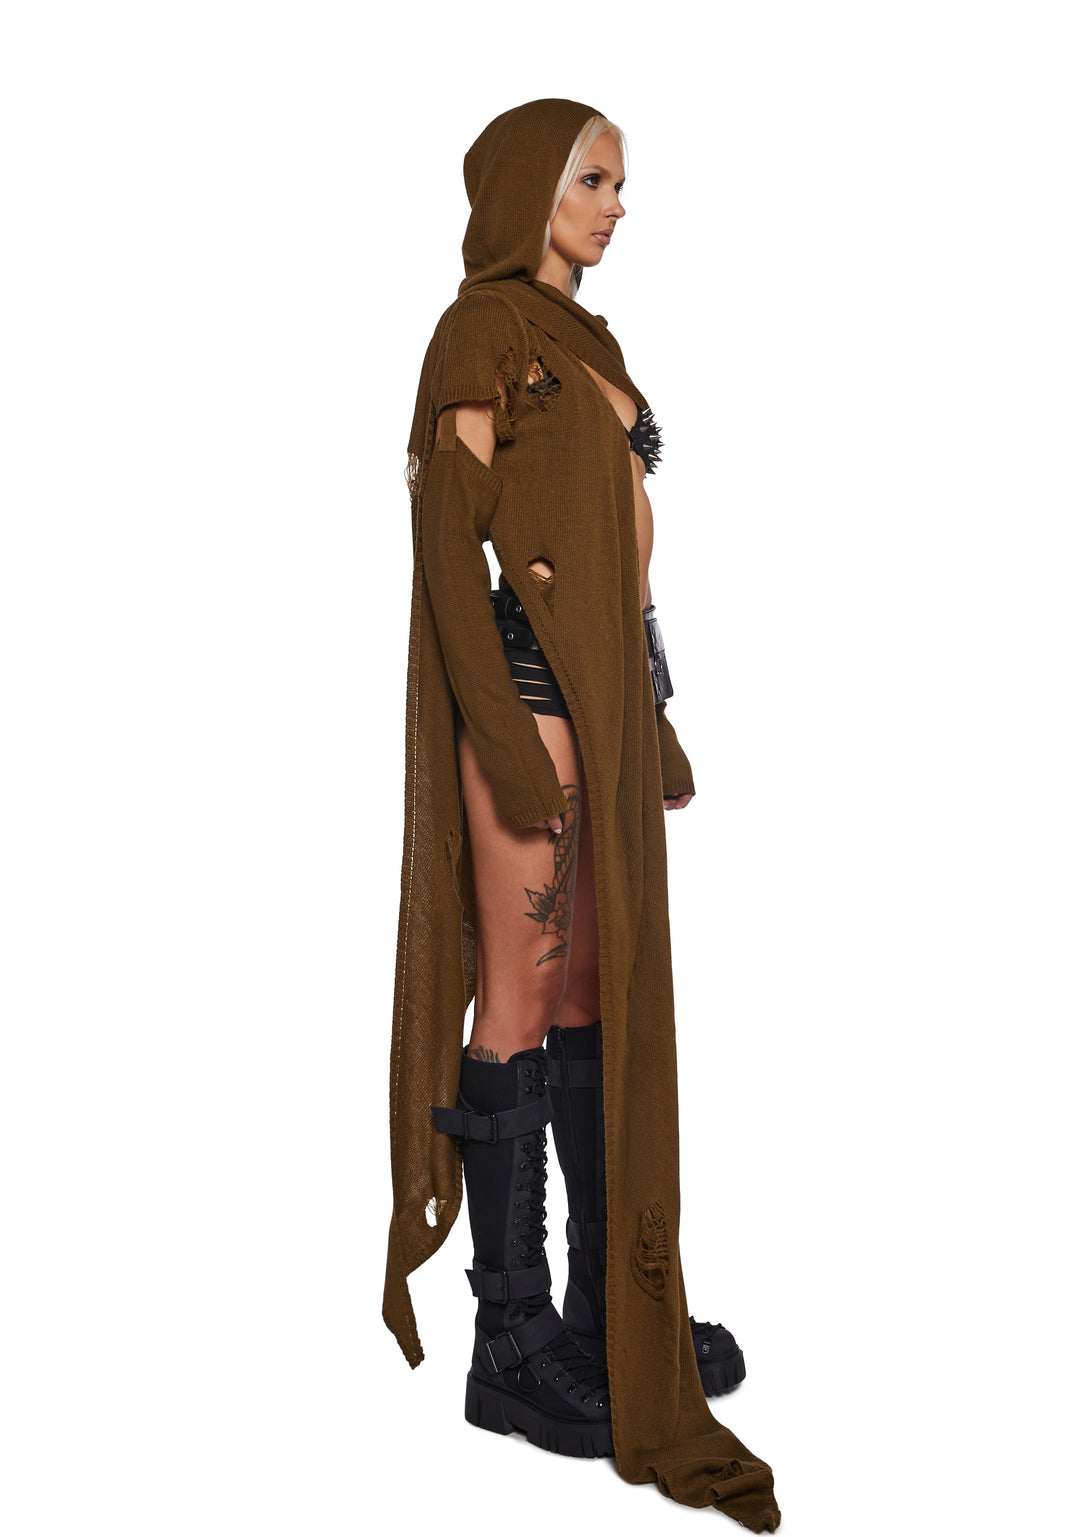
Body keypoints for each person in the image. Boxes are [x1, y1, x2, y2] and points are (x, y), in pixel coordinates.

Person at [383, 99, 780, 1531]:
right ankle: (510, 1340)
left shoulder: (592, 343)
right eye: (595, 179)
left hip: (607, 703)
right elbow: (453, 548)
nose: (619, 204)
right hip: (534, 698)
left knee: (596, 994)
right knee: (522, 993)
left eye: (621, 181)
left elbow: (623, 563)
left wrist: (653, 716)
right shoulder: (478, 332)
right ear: (528, 191)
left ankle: (614, 1306)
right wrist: (500, 735)